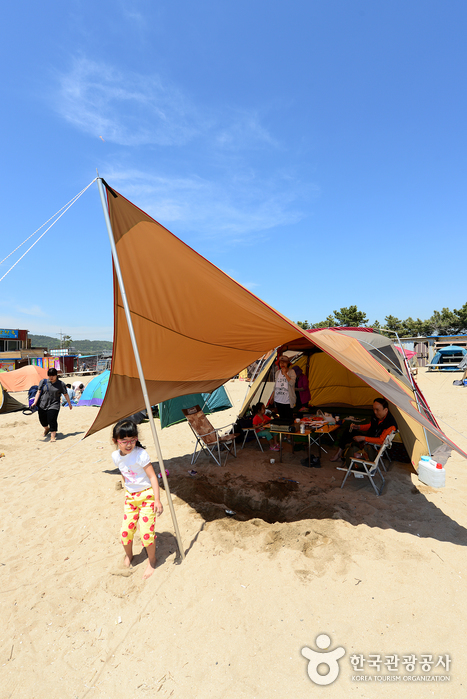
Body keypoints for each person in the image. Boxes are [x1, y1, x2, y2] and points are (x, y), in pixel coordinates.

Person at [111, 419, 163, 579]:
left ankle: (152, 561)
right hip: (131, 499)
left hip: (147, 496)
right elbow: (123, 470)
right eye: (124, 441)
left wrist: (157, 500)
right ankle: (129, 556)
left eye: (132, 440)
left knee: (146, 533)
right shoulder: (115, 456)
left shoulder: (140, 454)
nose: (128, 444)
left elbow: (153, 476)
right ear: (116, 441)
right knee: (125, 532)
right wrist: (126, 486)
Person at [330, 397, 397, 463]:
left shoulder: (390, 424)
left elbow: (381, 440)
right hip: (368, 438)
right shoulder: (376, 416)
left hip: (372, 445)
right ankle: (339, 454)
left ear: (385, 410)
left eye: (377, 410)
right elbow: (371, 426)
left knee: (349, 440)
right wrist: (358, 427)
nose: (375, 412)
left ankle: (345, 456)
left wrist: (363, 438)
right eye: (373, 409)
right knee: (348, 431)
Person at [31, 368, 72, 442]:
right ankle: (47, 429)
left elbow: (65, 394)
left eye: (53, 376)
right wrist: (34, 402)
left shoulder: (61, 384)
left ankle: (52, 436)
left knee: (52, 419)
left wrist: (69, 404)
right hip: (42, 404)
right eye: (49, 376)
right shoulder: (43, 382)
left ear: (56, 375)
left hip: (54, 404)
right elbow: (38, 392)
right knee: (42, 420)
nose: (51, 377)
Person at [273, 355, 296, 422]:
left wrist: (285, 374)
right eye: (280, 362)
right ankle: (282, 432)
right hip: (278, 399)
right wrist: (272, 396)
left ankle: (288, 432)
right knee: (281, 418)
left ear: (288, 363)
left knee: (289, 419)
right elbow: (276, 385)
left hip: (287, 400)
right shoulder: (277, 373)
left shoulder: (292, 372)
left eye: (284, 362)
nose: (282, 364)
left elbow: (292, 383)